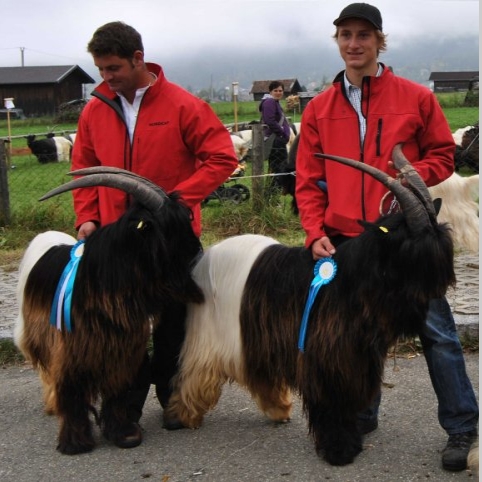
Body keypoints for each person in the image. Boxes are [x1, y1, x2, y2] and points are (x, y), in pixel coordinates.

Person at [295, 3, 478, 472]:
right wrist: (315, 231)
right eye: (345, 35)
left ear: (380, 40)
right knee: (356, 329)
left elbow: (444, 155)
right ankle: (363, 411)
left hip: (403, 236)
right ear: (337, 41)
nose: (353, 44)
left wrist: (408, 176)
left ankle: (461, 427)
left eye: (363, 35)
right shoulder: (319, 107)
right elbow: (306, 177)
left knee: (436, 330)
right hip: (345, 237)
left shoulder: (414, 96)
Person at [71, 21, 238, 448]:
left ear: (138, 59)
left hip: (169, 241)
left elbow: (220, 157)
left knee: (173, 324)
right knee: (120, 327)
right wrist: (87, 217)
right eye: (100, 70)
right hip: (115, 241)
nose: (106, 78)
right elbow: (83, 169)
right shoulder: (96, 109)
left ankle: (171, 399)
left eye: (113, 68)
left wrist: (178, 202)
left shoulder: (183, 105)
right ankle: (123, 411)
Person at [259, 80, 291, 191]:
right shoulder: (270, 102)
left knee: (276, 168)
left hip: (277, 140)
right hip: (276, 141)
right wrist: (282, 133)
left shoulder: (274, 102)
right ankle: (273, 194)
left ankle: (272, 194)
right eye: (275, 90)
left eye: (280, 90)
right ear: (270, 91)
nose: (278, 92)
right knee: (280, 168)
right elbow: (270, 121)